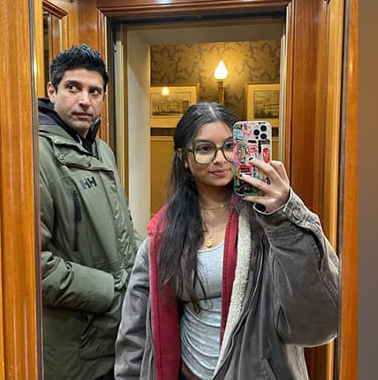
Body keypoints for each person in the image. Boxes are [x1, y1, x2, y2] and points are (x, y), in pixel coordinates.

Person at [114, 102, 339, 379]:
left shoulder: (268, 221)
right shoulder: (164, 233)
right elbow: (135, 333)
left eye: (230, 146)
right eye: (204, 149)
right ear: (183, 158)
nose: (220, 159)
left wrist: (286, 212)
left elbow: (320, 321)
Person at [39, 44, 140, 380]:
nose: (85, 100)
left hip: (116, 337)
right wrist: (112, 290)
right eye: (73, 88)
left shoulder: (101, 149)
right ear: (52, 90)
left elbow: (123, 225)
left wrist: (144, 271)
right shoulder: (34, 155)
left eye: (94, 91)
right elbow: (33, 266)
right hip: (75, 351)